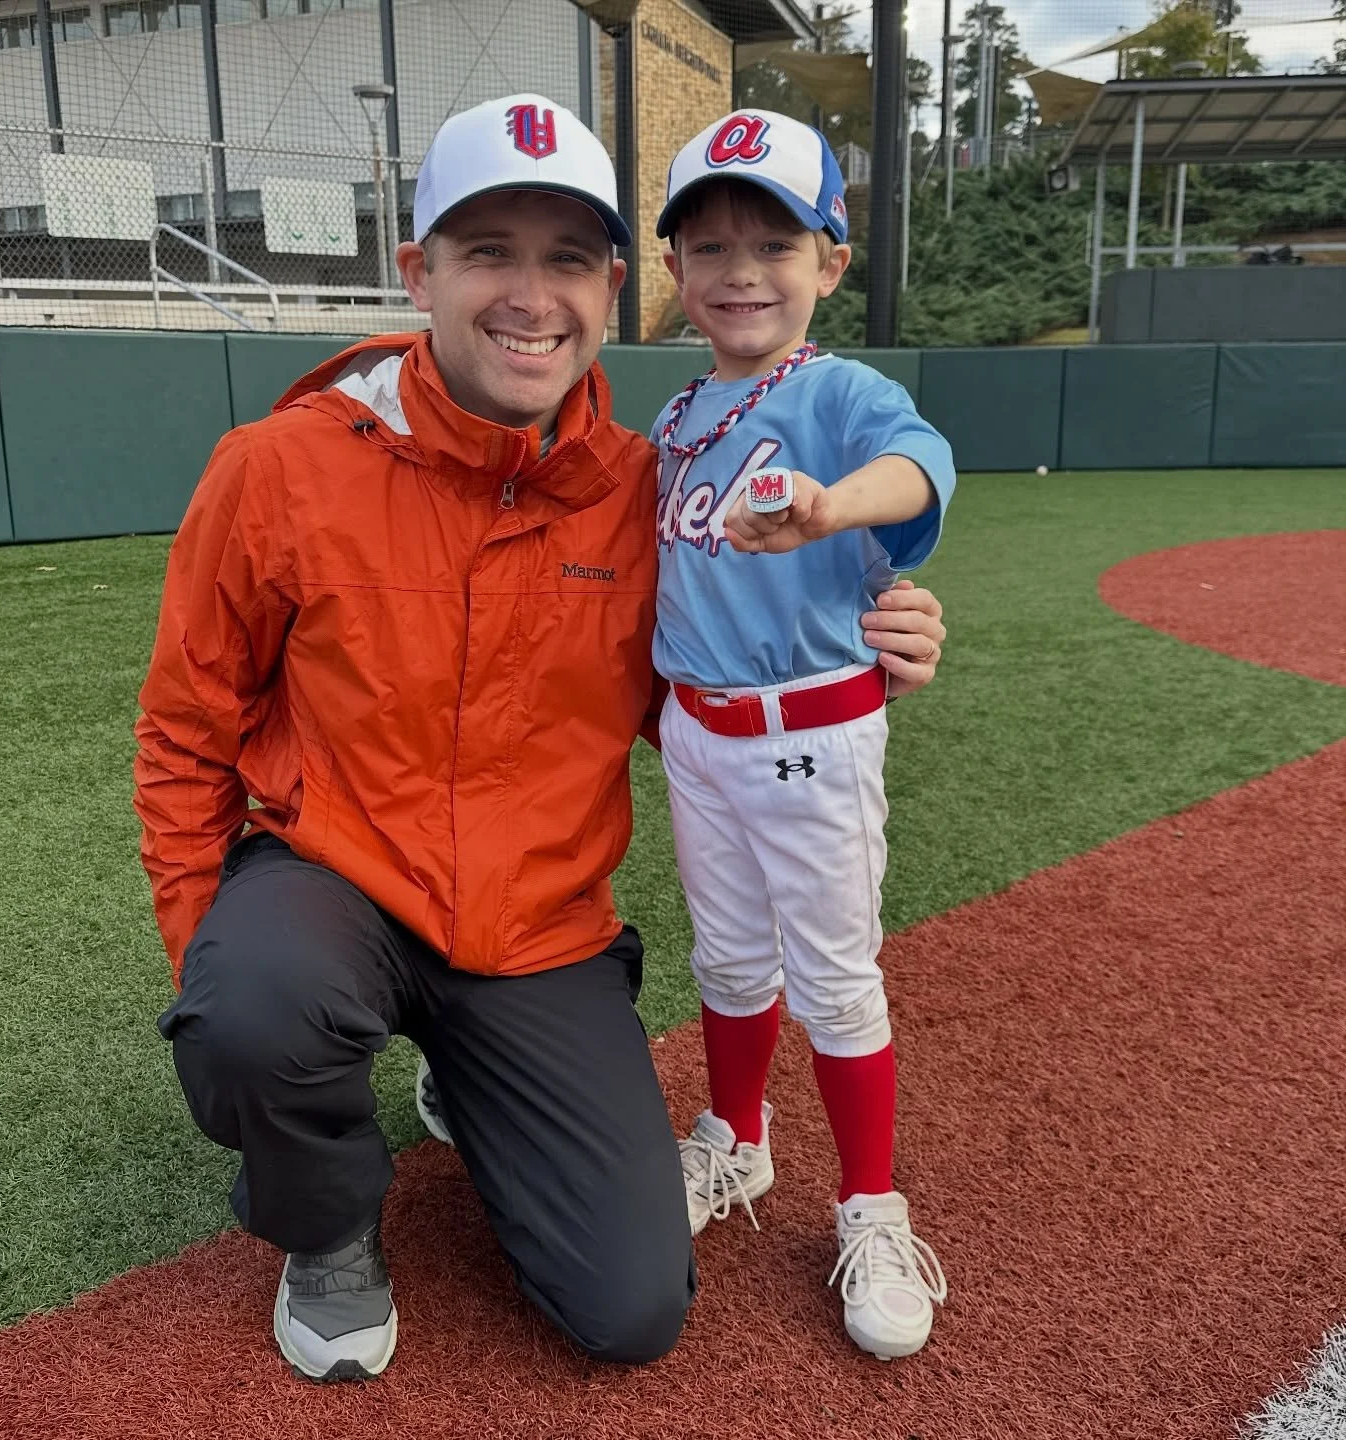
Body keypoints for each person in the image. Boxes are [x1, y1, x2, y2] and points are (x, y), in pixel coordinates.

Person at [133, 93, 948, 1385]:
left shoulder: (642, 483)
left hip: (530, 923)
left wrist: (862, 656)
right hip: (332, 884)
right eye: (488, 250)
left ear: (616, 285)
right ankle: (330, 1223)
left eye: (566, 257)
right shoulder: (277, 466)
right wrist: (211, 966)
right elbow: (184, 738)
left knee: (631, 1312)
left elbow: (698, 677)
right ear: (420, 271)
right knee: (257, 1010)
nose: (530, 294)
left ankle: (471, 1075)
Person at [649, 110, 953, 1361]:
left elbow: (922, 469)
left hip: (813, 733)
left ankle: (871, 1204)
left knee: (833, 976)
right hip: (698, 738)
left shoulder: (839, 391)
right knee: (726, 962)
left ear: (830, 262)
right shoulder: (671, 422)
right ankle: (736, 1143)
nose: (739, 269)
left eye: (774, 241)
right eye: (709, 243)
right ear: (673, 270)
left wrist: (835, 507)